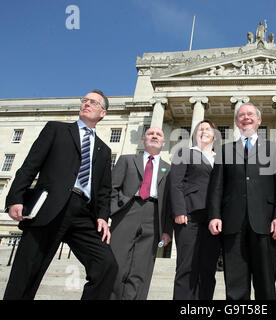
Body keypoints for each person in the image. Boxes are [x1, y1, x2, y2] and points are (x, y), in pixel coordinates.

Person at [3, 90, 118, 300]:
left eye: (93, 102)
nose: (87, 104)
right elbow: (30, 165)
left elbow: (104, 190)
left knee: (106, 265)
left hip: (84, 213)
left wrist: (103, 216)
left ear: (103, 113)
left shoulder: (104, 150)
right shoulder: (56, 129)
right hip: (49, 206)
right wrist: (15, 199)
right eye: (85, 100)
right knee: (27, 271)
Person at [207, 103, 276, 300]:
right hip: (233, 224)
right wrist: (214, 216)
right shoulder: (225, 150)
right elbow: (216, 187)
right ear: (236, 122)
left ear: (259, 120)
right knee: (235, 286)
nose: (246, 118)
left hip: (265, 223)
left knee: (266, 285)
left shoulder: (274, 149)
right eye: (241, 115)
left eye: (250, 114)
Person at [109, 126, 172, 300]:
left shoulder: (169, 168)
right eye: (150, 133)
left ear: (163, 142)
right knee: (117, 263)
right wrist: (114, 212)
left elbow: (169, 203)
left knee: (141, 269)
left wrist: (167, 230)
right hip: (127, 211)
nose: (154, 136)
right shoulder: (127, 160)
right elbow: (112, 188)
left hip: (153, 215)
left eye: (158, 134)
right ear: (143, 139)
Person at [169, 120, 221, 300]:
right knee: (187, 267)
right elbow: (175, 184)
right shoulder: (185, 152)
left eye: (208, 129)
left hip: (213, 219)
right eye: (200, 129)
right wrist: (179, 211)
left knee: (208, 268)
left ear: (215, 135)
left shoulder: (219, 158)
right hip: (189, 216)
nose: (204, 131)